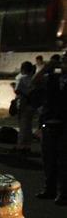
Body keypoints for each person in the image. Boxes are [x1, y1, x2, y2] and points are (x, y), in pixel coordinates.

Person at [36, 53, 67, 204]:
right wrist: (47, 67)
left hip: (63, 124)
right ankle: (50, 189)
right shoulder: (52, 78)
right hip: (49, 122)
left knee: (63, 160)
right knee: (48, 158)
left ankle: (63, 193)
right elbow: (36, 82)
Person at [13, 61, 37, 154]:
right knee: (28, 125)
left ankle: (21, 146)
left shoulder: (21, 78)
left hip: (23, 103)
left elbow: (17, 90)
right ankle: (27, 145)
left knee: (22, 125)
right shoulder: (33, 78)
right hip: (31, 104)